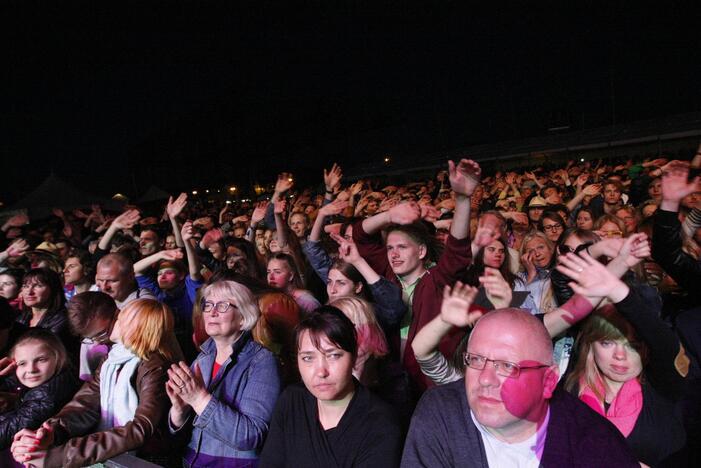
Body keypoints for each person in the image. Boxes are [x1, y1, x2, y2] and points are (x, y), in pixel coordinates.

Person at [401, 307, 638, 467]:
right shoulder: (440, 411)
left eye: (507, 366)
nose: (485, 379)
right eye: (476, 359)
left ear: (548, 381)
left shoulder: (597, 445)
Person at [11, 298, 179, 467]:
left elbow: (140, 430)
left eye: (121, 318)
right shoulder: (113, 357)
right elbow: (85, 403)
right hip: (116, 456)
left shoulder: (155, 366)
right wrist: (51, 431)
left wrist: (59, 457)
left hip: (144, 459)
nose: (117, 319)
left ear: (137, 325)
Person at [558, 251, 687, 466]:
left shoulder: (663, 385)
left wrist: (617, 291)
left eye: (632, 346)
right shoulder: (572, 387)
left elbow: (665, 344)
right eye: (607, 343)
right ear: (589, 345)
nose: (619, 356)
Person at [260, 307, 403, 467]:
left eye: (334, 355)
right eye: (308, 358)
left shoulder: (381, 423)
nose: (321, 372)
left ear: (354, 356)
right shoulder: (292, 401)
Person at [167, 280, 281, 466]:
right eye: (208, 305)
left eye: (223, 306)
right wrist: (179, 413)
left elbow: (250, 435)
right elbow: (182, 434)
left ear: (243, 318)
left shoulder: (262, 362)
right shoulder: (203, 356)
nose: (212, 312)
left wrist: (198, 399)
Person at [0, 329, 80, 450]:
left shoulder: (47, 396)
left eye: (41, 360)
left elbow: (5, 435)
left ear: (59, 359)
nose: (31, 369)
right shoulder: (50, 381)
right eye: (22, 363)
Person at [66, 291, 118, 381]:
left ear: (117, 315)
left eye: (102, 333)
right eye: (90, 338)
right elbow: (90, 384)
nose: (96, 344)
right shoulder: (88, 345)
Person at [15, 268, 69, 337]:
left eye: (38, 286)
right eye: (26, 286)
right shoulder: (19, 317)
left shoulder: (63, 319)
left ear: (53, 289)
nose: (29, 292)